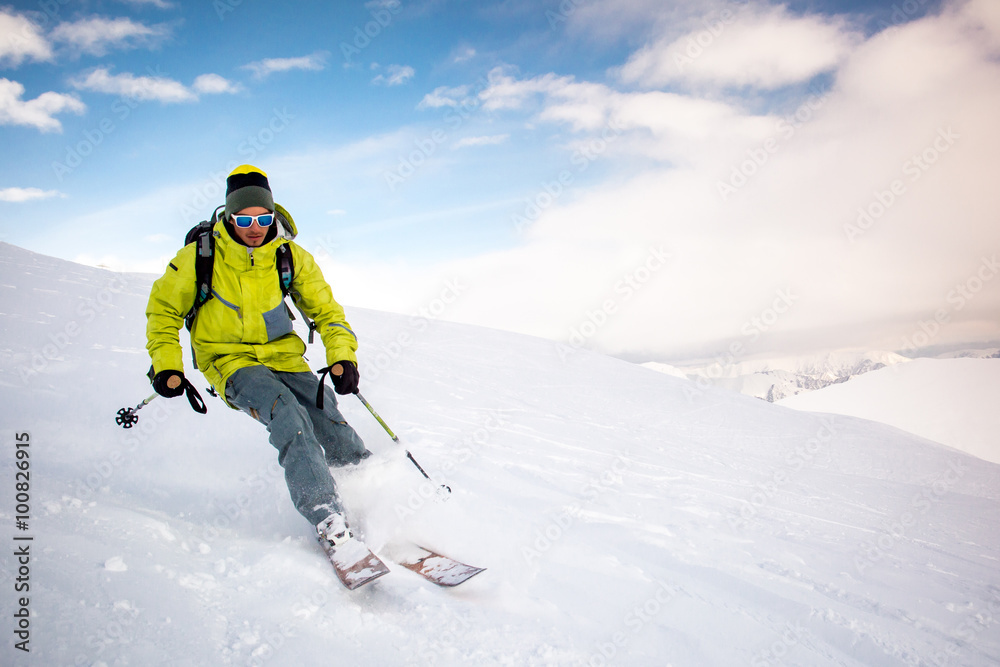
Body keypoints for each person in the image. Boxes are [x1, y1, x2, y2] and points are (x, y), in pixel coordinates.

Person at [144, 164, 368, 549]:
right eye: (244, 218)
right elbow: (163, 312)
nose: (254, 226)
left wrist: (343, 357)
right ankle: (328, 517)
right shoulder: (200, 256)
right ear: (228, 215)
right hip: (228, 359)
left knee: (328, 419)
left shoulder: (289, 256)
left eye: (263, 217)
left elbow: (328, 313)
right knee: (288, 414)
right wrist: (167, 366)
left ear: (273, 213)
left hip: (284, 356)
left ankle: (372, 496)